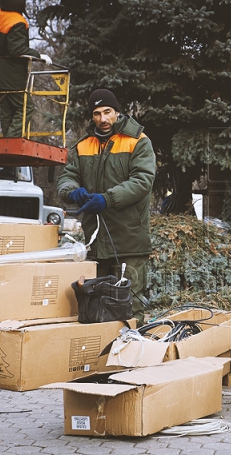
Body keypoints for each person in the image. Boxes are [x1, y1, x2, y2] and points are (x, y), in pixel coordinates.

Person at [57, 89, 156, 326]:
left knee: (131, 307)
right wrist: (73, 191)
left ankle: (133, 356)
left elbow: (142, 181)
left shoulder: (138, 142)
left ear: (117, 112)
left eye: (108, 112)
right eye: (97, 113)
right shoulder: (83, 146)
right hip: (96, 242)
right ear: (92, 117)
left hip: (129, 241)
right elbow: (67, 177)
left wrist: (107, 199)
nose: (103, 119)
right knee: (97, 306)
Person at [0, 0, 52, 138]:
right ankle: (11, 140)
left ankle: (6, 142)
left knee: (7, 108)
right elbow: (16, 49)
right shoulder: (17, 21)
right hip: (11, 74)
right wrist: (38, 56)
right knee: (26, 107)